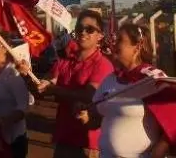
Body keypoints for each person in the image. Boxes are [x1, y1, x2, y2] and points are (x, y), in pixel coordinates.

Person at [19, 9, 113, 158]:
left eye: (89, 29)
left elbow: (89, 96)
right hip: (63, 140)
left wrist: (54, 89)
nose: (83, 32)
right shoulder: (64, 63)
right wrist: (27, 76)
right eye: (79, 28)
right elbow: (41, 90)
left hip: (88, 145)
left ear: (100, 36)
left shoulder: (103, 65)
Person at [91, 23, 176, 158]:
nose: (113, 44)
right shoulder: (110, 79)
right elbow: (96, 118)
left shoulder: (152, 79)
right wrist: (85, 114)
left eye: (120, 40)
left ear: (137, 47)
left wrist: (159, 151)